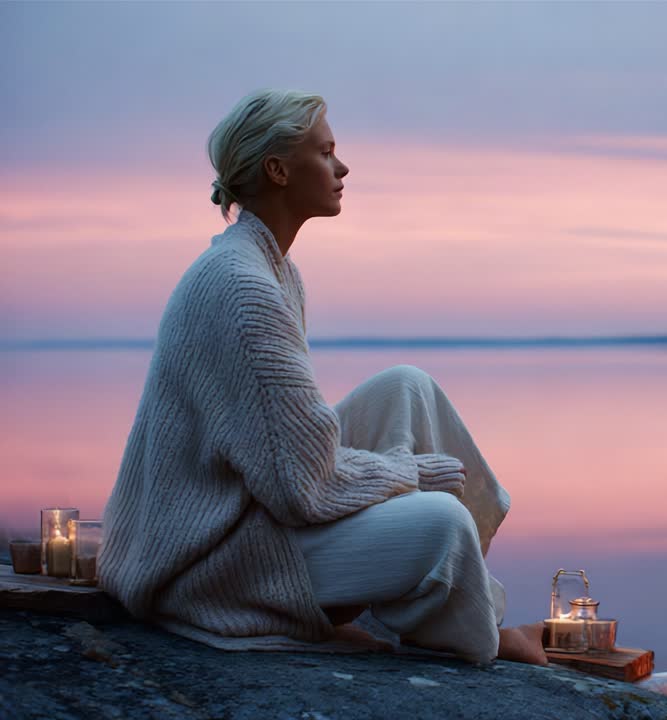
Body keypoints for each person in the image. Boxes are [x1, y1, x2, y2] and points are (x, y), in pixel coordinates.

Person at [98, 88, 546, 665]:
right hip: (208, 560)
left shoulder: (273, 269)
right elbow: (299, 488)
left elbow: (289, 457)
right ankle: (479, 627)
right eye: (326, 152)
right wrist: (408, 474)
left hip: (253, 506)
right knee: (443, 523)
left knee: (406, 387)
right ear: (278, 170)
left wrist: (394, 478)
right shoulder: (244, 289)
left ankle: (462, 600)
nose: (343, 167)